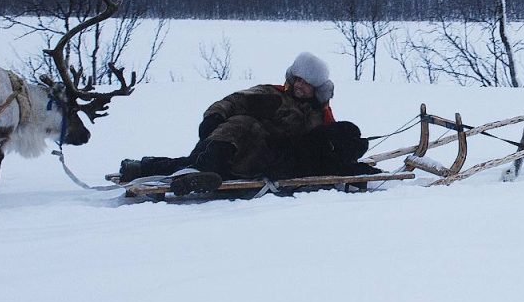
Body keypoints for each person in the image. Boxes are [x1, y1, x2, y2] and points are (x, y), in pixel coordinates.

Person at [118, 52, 381, 195]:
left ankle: (177, 170)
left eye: (307, 84)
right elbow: (233, 102)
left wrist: (354, 169)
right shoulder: (272, 95)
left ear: (317, 89)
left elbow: (324, 148)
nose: (301, 87)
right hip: (243, 147)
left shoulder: (319, 115)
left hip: (274, 162)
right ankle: (175, 171)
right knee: (243, 125)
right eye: (298, 80)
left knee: (348, 131)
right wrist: (214, 117)